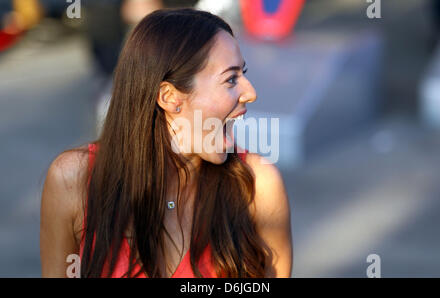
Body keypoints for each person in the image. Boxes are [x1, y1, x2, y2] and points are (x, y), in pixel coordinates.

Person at [40, 8, 292, 278]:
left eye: (243, 74)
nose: (250, 93)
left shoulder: (258, 185)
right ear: (169, 97)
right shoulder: (74, 180)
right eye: (231, 79)